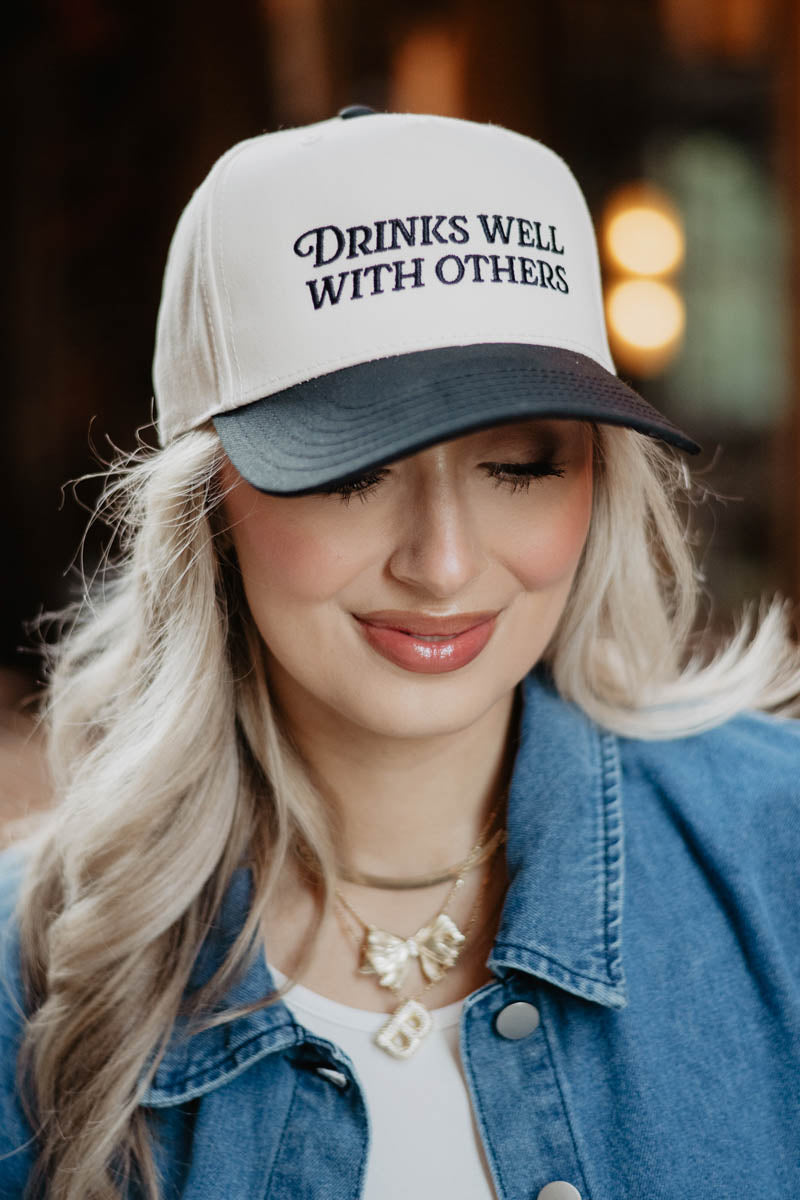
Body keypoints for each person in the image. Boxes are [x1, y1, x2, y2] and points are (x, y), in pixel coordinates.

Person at [1, 108, 799, 1200]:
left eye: (518, 464)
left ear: (601, 485)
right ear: (210, 510)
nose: (443, 563)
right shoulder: (28, 973)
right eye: (349, 470)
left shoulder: (776, 858)